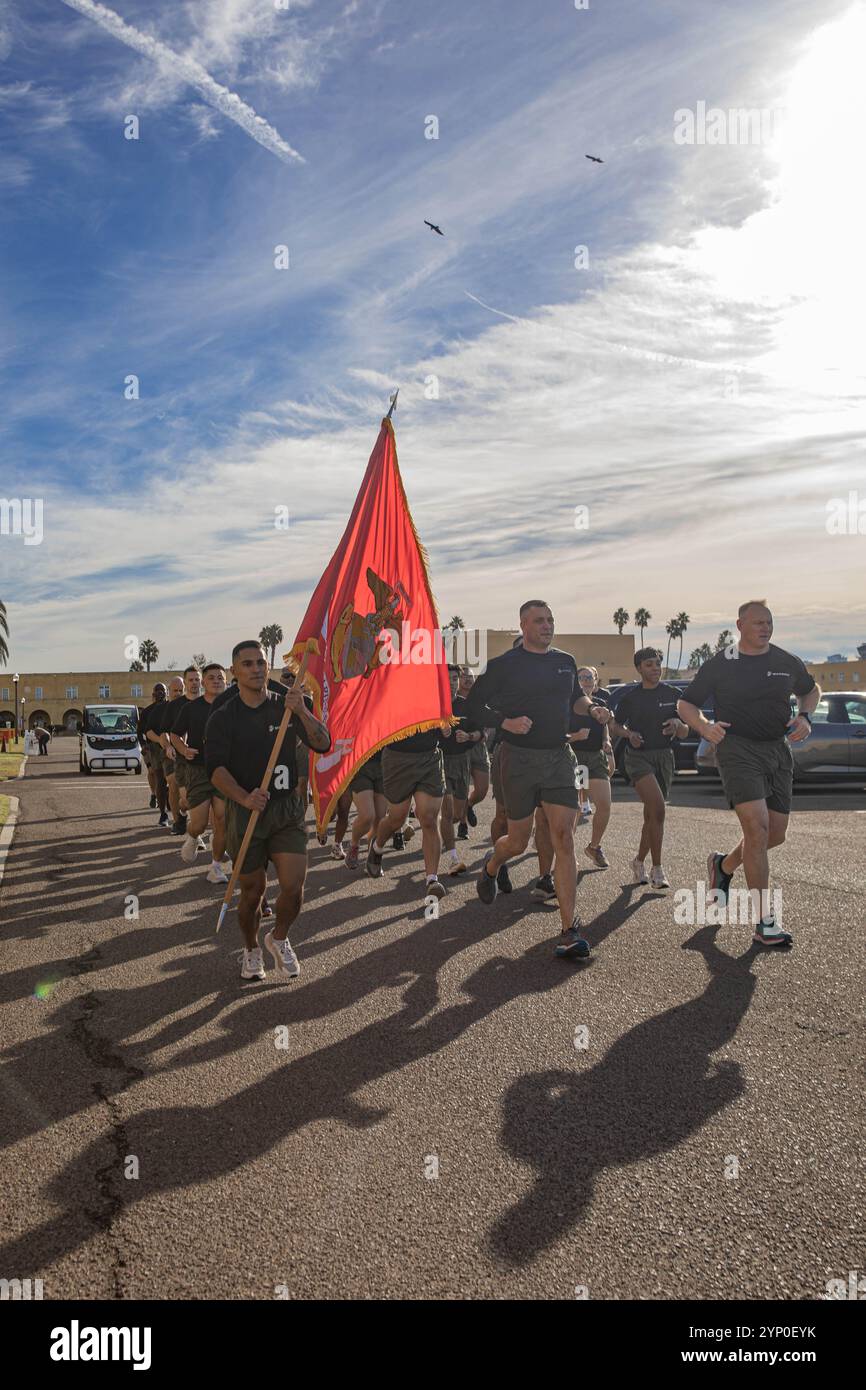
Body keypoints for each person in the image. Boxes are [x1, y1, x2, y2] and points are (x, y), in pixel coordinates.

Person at [678, 600, 819, 948]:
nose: (765, 628)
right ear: (740, 625)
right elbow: (686, 703)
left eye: (769, 622)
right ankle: (764, 922)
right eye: (758, 623)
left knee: (776, 834)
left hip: (777, 750)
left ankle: (723, 865)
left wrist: (805, 716)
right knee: (756, 829)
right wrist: (704, 726)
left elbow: (811, 690)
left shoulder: (786, 661)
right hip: (737, 749)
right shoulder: (721, 664)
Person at [463, 600, 590, 959]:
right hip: (518, 760)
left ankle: (569, 931)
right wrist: (505, 722)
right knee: (517, 842)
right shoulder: (505, 666)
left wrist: (592, 708)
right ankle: (491, 865)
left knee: (563, 836)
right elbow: (474, 706)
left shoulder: (564, 662)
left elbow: (576, 699)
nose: (547, 626)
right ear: (523, 625)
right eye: (539, 621)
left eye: (550, 619)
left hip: (558, 757)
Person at [206, 640, 331, 982]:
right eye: (247, 664)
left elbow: (324, 743)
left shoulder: (289, 706)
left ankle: (278, 938)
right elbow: (215, 769)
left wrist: (303, 711)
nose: (256, 669)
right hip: (246, 812)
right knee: (253, 892)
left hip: (286, 810)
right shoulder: (223, 717)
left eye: (260, 662)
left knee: (293, 885)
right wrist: (244, 798)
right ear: (235, 672)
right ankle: (250, 950)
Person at [607, 648, 689, 890]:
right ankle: (658, 869)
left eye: (657, 664)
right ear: (639, 668)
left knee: (651, 816)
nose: (655, 668)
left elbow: (686, 730)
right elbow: (614, 726)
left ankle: (638, 861)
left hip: (664, 757)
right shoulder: (631, 697)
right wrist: (628, 733)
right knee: (659, 809)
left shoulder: (674, 694)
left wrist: (678, 724)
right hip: (638, 758)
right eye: (649, 664)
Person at [365, 706, 450, 902]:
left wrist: (445, 727)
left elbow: (444, 711)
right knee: (397, 818)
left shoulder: (433, 681)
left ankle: (431, 880)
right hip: (397, 758)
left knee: (428, 818)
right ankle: (377, 847)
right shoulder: (395, 680)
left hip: (430, 757)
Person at [170, 663, 230, 882]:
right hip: (198, 770)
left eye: (220, 678)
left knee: (221, 819)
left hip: (225, 771)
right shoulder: (191, 708)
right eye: (211, 678)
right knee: (200, 822)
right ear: (203, 683)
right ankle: (193, 836)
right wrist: (184, 750)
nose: (216, 681)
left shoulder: (233, 707)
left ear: (226, 681)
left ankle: (215, 868)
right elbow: (175, 735)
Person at [569, 666, 615, 870]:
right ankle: (567, 853)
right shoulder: (569, 705)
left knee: (604, 804)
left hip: (596, 758)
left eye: (590, 678)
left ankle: (594, 847)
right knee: (576, 807)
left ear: (596, 682)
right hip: (576, 758)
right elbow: (560, 735)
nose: (586, 681)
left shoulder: (601, 704)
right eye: (582, 677)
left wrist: (607, 742)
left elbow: (604, 727)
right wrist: (576, 736)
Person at [440, 665, 474, 875]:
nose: (452, 682)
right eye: (448, 678)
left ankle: (442, 827)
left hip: (462, 761)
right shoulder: (435, 706)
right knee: (447, 813)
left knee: (457, 814)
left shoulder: (466, 705)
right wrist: (438, 731)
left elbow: (478, 731)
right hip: (441, 762)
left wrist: (468, 736)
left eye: (455, 678)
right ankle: (453, 858)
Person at [456, 670, 490, 837]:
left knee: (482, 789)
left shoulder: (480, 698)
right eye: (464, 676)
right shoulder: (453, 699)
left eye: (470, 676)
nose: (468, 679)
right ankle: (462, 824)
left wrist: (485, 731)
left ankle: (469, 805)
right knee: (462, 790)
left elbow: (488, 719)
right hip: (460, 748)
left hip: (478, 747)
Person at [345, 747, 388, 871]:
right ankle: (354, 844)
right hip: (360, 765)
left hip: (383, 764)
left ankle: (372, 857)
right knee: (367, 815)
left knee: (380, 818)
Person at [141, 682, 171, 826]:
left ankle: (171, 801)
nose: (160, 693)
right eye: (157, 691)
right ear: (153, 694)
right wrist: (144, 745)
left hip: (172, 746)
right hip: (154, 748)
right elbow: (143, 730)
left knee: (172, 779)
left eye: (163, 690)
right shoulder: (148, 711)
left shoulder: (173, 707)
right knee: (159, 778)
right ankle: (163, 813)